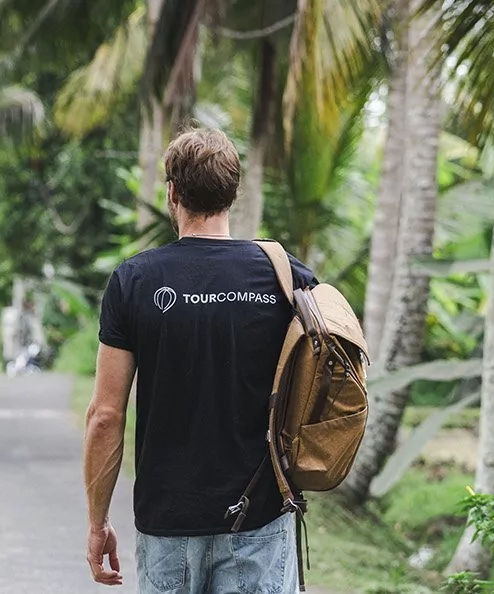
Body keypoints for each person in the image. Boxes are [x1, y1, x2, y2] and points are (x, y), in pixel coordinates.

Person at [82, 128, 318, 592]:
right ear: (233, 193)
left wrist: (97, 523)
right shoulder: (285, 277)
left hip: (168, 522)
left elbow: (105, 416)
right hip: (260, 520)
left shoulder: (134, 280)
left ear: (172, 193)